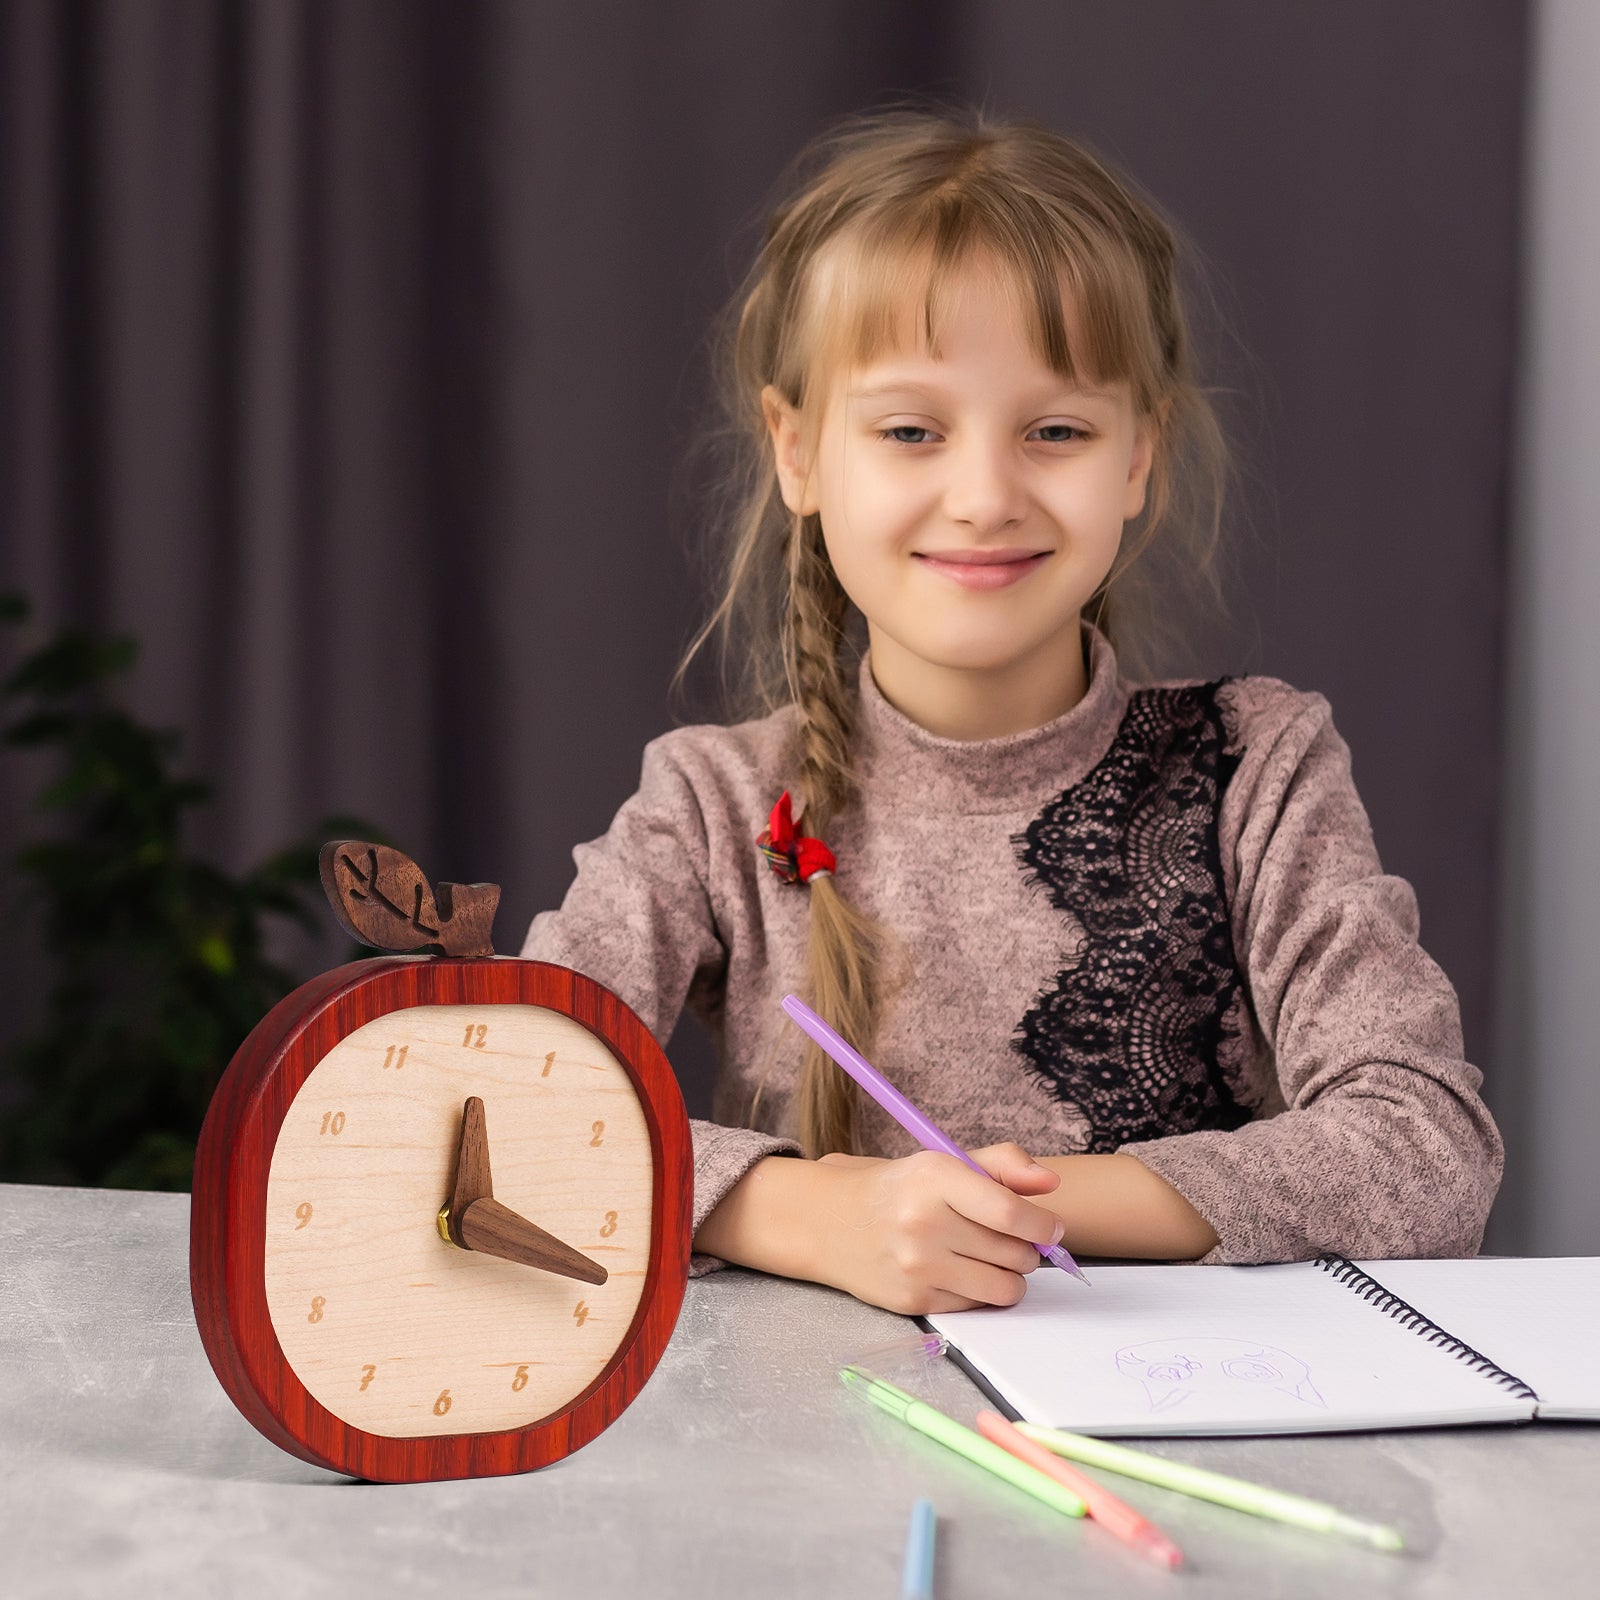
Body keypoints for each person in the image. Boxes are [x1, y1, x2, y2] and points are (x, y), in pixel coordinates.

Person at [522, 107, 1502, 1316]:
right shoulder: (711, 802)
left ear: (1136, 456)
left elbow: (1427, 1149)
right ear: (797, 449)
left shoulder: (1259, 765)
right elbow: (506, 1110)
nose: (984, 495)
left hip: (1183, 1410)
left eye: (1055, 431)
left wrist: (1016, 1207)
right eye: (909, 430)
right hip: (802, 1421)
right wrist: (815, 1215)